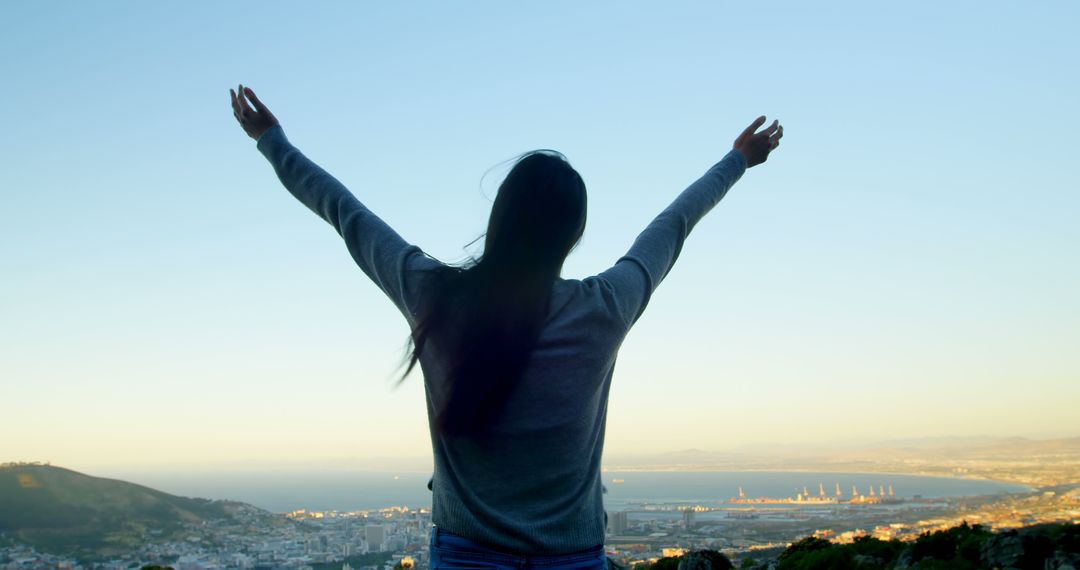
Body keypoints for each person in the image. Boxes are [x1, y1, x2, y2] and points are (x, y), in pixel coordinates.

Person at [230, 84, 782, 569]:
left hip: (465, 555)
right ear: (573, 232)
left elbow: (345, 212)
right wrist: (737, 160)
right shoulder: (605, 306)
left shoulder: (433, 293)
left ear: (500, 218)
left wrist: (272, 141)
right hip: (573, 558)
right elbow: (673, 224)